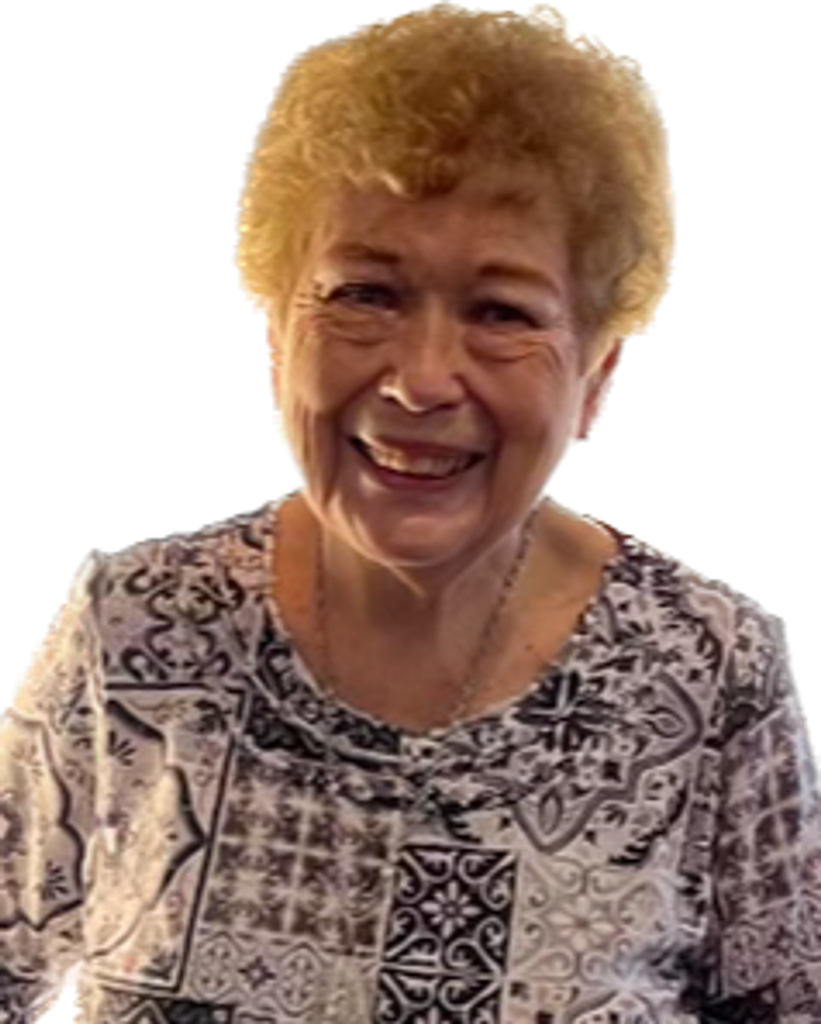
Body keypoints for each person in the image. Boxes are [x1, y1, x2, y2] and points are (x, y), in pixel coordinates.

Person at [2, 4, 818, 1022]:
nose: (421, 379)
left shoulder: (709, 672)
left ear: (594, 380)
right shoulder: (132, 635)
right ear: (276, 332)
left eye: (500, 312)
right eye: (366, 294)